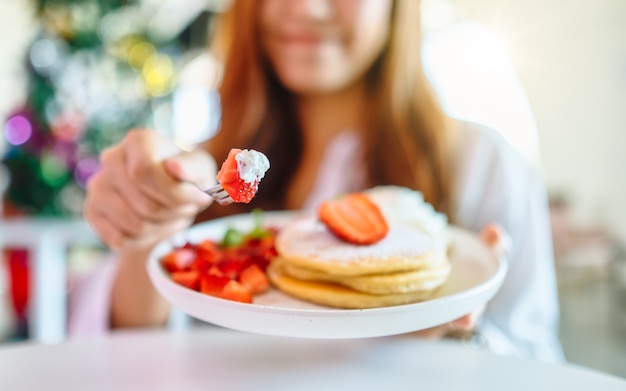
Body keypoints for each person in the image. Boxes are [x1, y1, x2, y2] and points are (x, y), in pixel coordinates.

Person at [76, 0, 563, 362]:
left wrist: (457, 337)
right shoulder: (201, 169)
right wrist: (148, 225)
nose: (305, 8)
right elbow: (128, 357)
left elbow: (537, 361)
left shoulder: (484, 163)